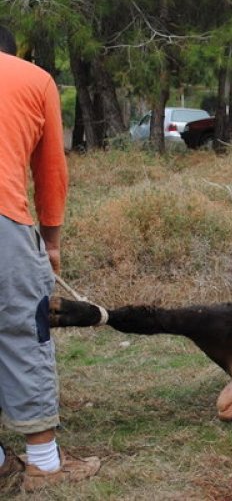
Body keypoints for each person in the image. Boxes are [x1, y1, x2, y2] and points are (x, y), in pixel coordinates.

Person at [0, 24, 101, 491]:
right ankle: (43, 463)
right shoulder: (33, 79)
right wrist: (52, 241)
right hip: (4, 219)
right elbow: (50, 170)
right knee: (25, 329)